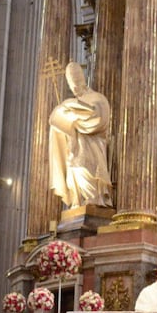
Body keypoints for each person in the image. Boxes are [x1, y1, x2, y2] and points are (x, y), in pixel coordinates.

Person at [48, 61, 113, 209]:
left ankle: (93, 199)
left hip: (92, 151)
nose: (75, 88)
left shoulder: (97, 98)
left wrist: (75, 112)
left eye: (77, 84)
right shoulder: (72, 102)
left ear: (82, 81)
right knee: (73, 176)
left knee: (85, 172)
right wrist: (62, 117)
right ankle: (78, 202)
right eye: (72, 85)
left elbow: (99, 119)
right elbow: (61, 125)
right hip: (75, 149)